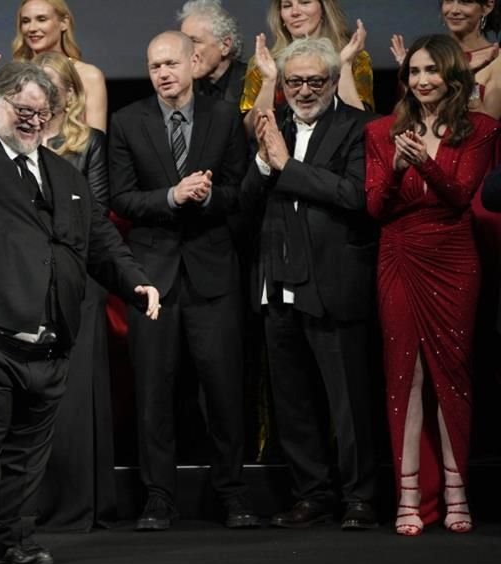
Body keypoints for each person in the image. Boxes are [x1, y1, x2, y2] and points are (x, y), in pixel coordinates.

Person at [0, 55, 160, 564]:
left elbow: (100, 242)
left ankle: (13, 538)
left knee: (26, 453)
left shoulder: (65, 173)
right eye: (23, 110)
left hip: (45, 342)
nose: (34, 121)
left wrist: (136, 281)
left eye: (45, 114)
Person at [109, 31, 254, 532]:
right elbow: (123, 199)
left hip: (212, 275)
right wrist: (172, 195)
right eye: (154, 67)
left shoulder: (224, 117)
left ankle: (233, 494)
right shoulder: (127, 122)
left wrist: (207, 197)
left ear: (194, 63)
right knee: (154, 392)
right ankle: (158, 497)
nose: (163, 73)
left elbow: (240, 192)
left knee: (223, 390)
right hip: (154, 277)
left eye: (171, 63)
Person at [365, 34, 501, 535]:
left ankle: (457, 492)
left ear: (451, 76)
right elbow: (376, 208)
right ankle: (408, 498)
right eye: (414, 72)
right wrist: (399, 170)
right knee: (406, 376)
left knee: (453, 375)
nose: (421, 81)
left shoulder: (481, 130)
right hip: (399, 254)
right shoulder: (381, 131)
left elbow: (460, 195)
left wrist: (421, 159)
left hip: (454, 257)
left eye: (431, 71)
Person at [242, 37, 379, 529]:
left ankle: (360, 498)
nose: (303, 90)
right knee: (293, 400)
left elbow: (357, 195)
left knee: (347, 400)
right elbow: (245, 204)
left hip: (331, 280)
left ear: (333, 80)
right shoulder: (271, 126)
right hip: (275, 283)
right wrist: (261, 165)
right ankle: (312, 494)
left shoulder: (359, 128)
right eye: (294, 81)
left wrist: (287, 167)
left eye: (314, 81)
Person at [29, 50, 115, 529]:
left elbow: (97, 214)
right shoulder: (13, 144)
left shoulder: (88, 143)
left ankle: (82, 502)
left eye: (47, 84)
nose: (38, 93)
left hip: (77, 282)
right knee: (33, 398)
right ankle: (33, 502)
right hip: (24, 286)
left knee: (76, 396)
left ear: (67, 92)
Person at [242, 0, 373, 134]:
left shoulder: (355, 57)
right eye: (287, 6)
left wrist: (345, 65)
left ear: (323, 9)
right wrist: (269, 81)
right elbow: (250, 132)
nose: (295, 12)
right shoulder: (263, 62)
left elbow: (361, 127)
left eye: (305, 2)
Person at [392, 2, 501, 117]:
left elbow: (488, 128)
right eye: (448, 1)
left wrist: (467, 77)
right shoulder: (425, 54)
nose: (454, 10)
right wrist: (408, 74)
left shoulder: (496, 59)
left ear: (487, 6)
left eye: (465, 2)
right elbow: (405, 116)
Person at [12, 0, 108, 132]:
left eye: (41, 19)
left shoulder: (88, 76)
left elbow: (96, 142)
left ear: (64, 23)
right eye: (26, 21)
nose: (32, 28)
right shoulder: (15, 77)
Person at [178, 0, 248, 106]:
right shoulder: (183, 87)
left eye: (195, 41)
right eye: (185, 41)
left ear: (225, 46)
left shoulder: (252, 84)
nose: (185, 49)